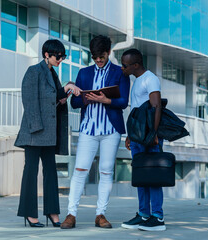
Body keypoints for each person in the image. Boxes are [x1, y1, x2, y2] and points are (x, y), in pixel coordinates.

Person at [60, 35, 130, 229]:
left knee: (106, 172)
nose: (98, 60)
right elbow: (74, 103)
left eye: (102, 56)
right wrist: (87, 99)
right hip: (88, 129)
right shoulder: (84, 73)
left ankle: (101, 214)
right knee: (80, 170)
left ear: (108, 53)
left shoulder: (119, 73)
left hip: (111, 130)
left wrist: (105, 101)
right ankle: (71, 214)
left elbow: (123, 101)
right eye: (95, 57)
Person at [14, 39, 81, 228]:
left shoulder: (52, 74)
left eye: (62, 57)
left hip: (50, 133)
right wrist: (36, 128)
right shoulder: (34, 72)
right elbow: (29, 101)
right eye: (58, 56)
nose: (60, 59)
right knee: (31, 172)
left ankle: (52, 212)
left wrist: (62, 96)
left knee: (51, 172)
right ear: (47, 55)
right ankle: (29, 213)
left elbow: (51, 100)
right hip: (35, 132)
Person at [120, 49, 166, 231]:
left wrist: (154, 134)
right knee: (141, 176)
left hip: (149, 136)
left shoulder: (150, 79)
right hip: (138, 136)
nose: (122, 68)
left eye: (125, 65)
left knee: (153, 176)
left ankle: (157, 217)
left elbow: (156, 106)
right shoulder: (137, 81)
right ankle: (144, 214)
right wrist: (130, 135)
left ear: (136, 65)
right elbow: (136, 112)